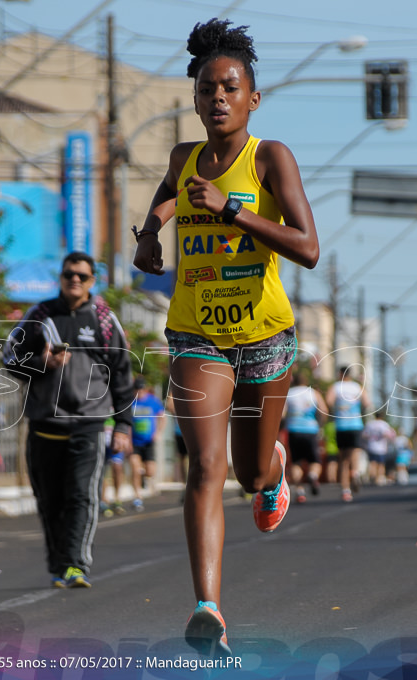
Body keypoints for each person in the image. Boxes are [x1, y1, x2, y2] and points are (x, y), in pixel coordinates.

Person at [131, 18, 319, 657]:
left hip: (264, 334)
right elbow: (169, 195)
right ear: (194, 98)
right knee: (205, 467)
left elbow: (309, 248)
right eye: (207, 89)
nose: (217, 98)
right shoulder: (185, 158)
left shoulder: (271, 157)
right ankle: (207, 607)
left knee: (245, 470)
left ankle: (273, 474)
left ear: (252, 99)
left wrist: (232, 210)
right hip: (196, 333)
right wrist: (152, 233)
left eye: (230, 88)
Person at [3, 251, 135, 589]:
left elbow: (122, 374)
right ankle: (58, 565)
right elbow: (9, 359)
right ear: (60, 278)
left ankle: (76, 565)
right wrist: (42, 362)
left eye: (82, 276)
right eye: (68, 275)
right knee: (50, 500)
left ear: (92, 281)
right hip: (45, 424)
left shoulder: (105, 319)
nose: (74, 280)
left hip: (89, 424)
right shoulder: (40, 315)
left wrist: (123, 425)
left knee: (81, 495)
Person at [326, 365, 372, 501]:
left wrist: (338, 410)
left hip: (341, 425)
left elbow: (329, 401)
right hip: (355, 424)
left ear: (340, 374)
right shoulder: (357, 387)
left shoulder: (335, 387)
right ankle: (356, 473)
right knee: (354, 454)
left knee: (343, 460)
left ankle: (346, 491)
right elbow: (367, 403)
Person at [283, 372, 327, 502]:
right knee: (315, 461)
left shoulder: (289, 393)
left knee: (296, 462)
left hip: (294, 430)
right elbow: (324, 410)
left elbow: (282, 414)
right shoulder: (313, 392)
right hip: (310, 430)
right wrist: (319, 424)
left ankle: (300, 492)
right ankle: (313, 476)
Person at [130, 378, 166, 510]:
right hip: (134, 441)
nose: (138, 392)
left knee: (150, 471)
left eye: (140, 389)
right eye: (136, 390)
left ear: (144, 388)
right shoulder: (130, 402)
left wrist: (158, 433)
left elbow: (162, 417)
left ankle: (144, 478)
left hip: (149, 441)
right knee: (135, 468)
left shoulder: (152, 401)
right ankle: (138, 497)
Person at [362, 411, 396, 487]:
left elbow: (364, 435)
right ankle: (379, 479)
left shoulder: (370, 424)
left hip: (371, 446)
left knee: (372, 463)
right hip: (381, 448)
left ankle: (372, 477)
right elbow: (387, 434)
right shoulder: (383, 424)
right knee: (381, 464)